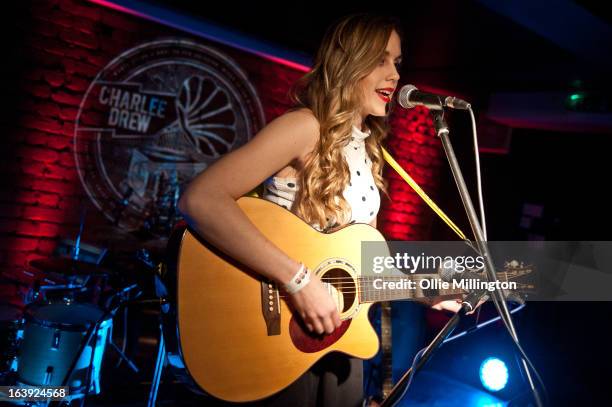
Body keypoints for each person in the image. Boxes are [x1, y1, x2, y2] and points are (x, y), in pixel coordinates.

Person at [178, 13, 460, 407]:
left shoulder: (370, 149)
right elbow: (201, 199)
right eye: (380, 59)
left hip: (337, 344)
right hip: (278, 336)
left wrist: (424, 289)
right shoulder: (303, 127)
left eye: (396, 62)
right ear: (350, 63)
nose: (394, 75)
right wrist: (298, 281)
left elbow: (361, 267)